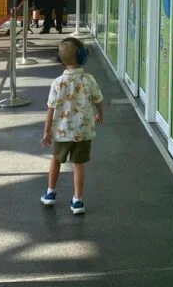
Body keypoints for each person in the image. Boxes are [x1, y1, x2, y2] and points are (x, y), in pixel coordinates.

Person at [40, 38, 103, 215]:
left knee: (56, 160)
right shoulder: (89, 79)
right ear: (83, 56)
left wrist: (46, 132)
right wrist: (100, 115)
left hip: (62, 132)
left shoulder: (57, 82)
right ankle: (77, 200)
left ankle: (50, 193)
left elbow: (50, 110)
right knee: (79, 164)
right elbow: (99, 100)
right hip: (83, 132)